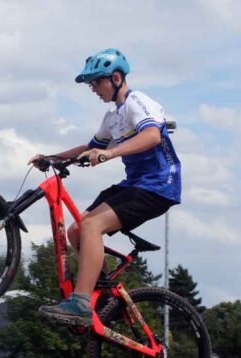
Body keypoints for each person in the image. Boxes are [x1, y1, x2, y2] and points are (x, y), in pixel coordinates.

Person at [28, 48, 181, 326]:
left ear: (117, 77)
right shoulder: (113, 118)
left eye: (97, 82)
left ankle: (81, 303)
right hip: (135, 184)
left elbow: (151, 137)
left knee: (91, 226)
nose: (93, 89)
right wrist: (52, 158)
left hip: (159, 186)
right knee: (77, 229)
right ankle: (108, 297)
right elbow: (90, 148)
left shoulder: (138, 102)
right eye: (91, 84)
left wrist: (109, 154)